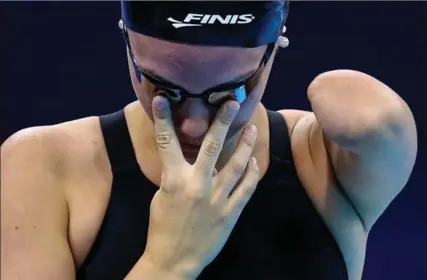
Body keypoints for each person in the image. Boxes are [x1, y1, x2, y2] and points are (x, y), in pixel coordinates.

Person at [0, 1, 418, 280]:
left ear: (274, 49)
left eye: (230, 93)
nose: (194, 127)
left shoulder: (323, 159)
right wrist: (167, 263)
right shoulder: (42, 168)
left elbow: (380, 126)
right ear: (125, 40)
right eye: (163, 89)